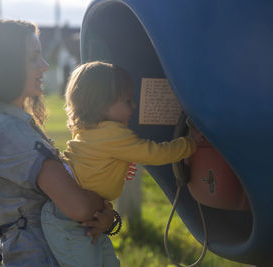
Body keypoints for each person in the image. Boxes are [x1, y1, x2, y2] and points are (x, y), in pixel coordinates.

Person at [0, 20, 114, 266]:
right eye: (34, 58)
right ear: (6, 65)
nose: (44, 66)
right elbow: (78, 206)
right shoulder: (7, 130)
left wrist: (104, 215)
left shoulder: (9, 124)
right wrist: (104, 209)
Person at [41, 61, 202, 267]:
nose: (133, 106)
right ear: (103, 104)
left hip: (75, 214)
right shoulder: (113, 133)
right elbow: (154, 153)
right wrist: (189, 143)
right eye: (127, 101)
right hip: (69, 220)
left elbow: (99, 162)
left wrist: (120, 166)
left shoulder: (90, 130)